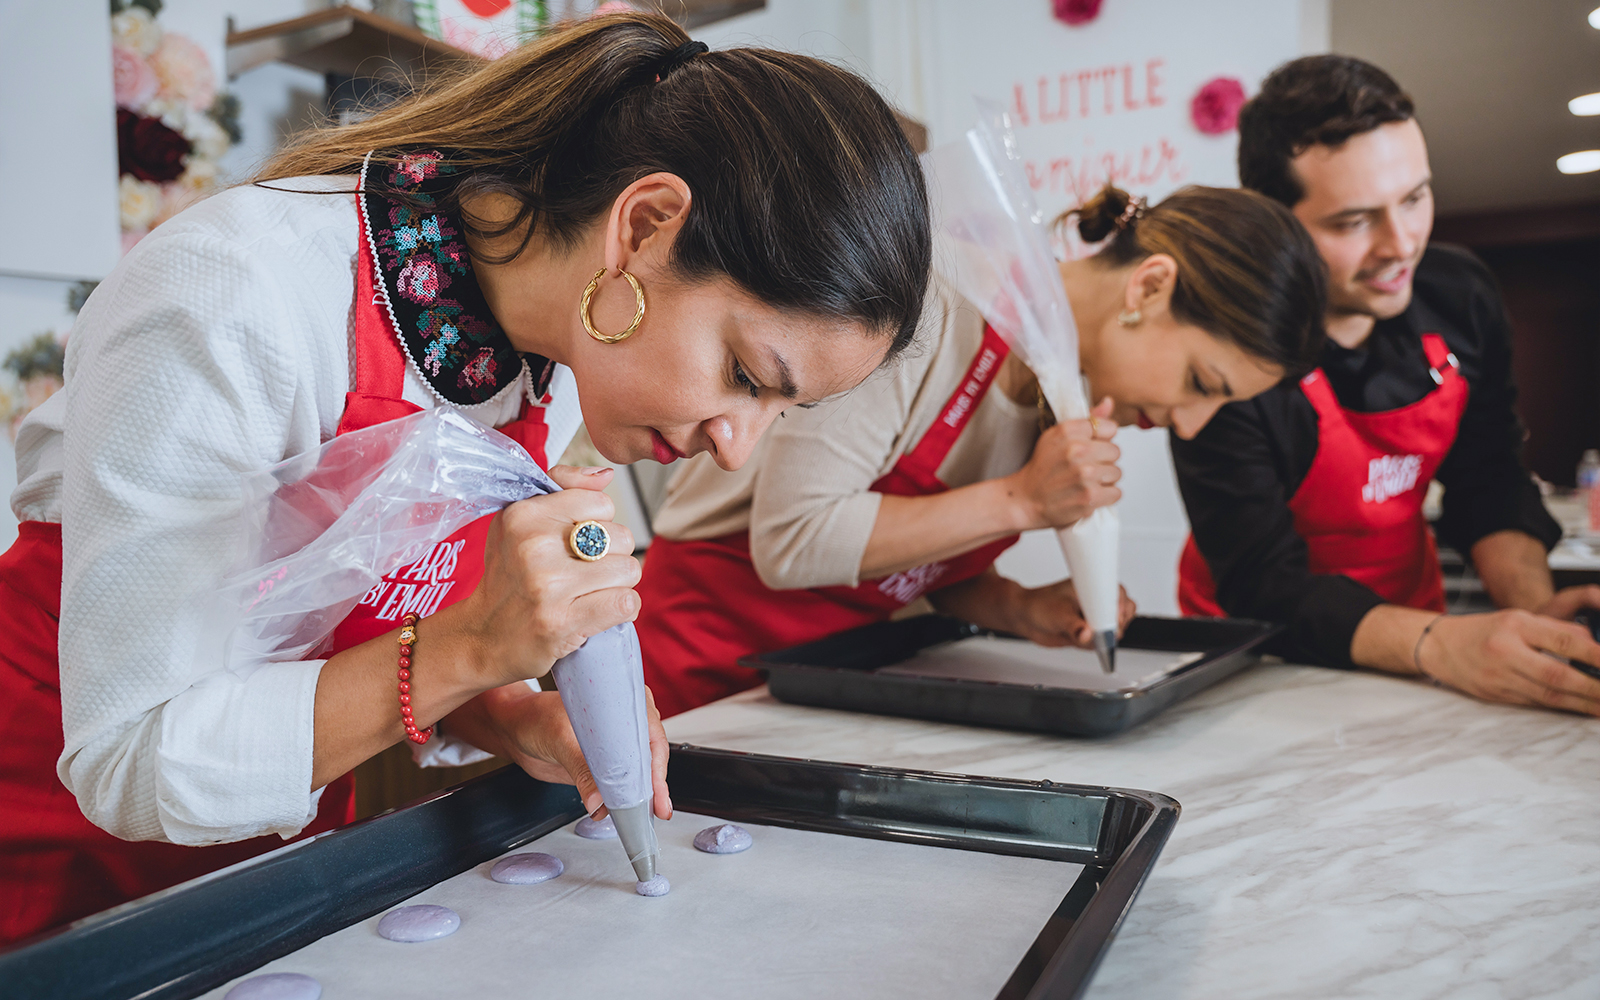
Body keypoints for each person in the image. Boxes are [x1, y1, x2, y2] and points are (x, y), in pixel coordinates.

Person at [0, 12, 933, 943]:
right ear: (644, 227)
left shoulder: (560, 356)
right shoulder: (238, 296)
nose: (738, 448)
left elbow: (350, 623)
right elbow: (128, 759)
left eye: (781, 410)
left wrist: (516, 716)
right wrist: (472, 650)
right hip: (58, 859)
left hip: (278, 865)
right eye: (745, 375)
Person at [635, 184, 1327, 718]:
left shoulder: (1062, 383)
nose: (1193, 424)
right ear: (1149, 285)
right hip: (706, 676)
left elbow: (908, 560)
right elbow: (792, 542)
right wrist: (1021, 499)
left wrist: (1015, 607)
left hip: (829, 683)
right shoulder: (929, 301)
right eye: (1201, 383)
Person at [1173, 55, 1600, 713]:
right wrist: (1439, 644)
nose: (1402, 244)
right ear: (1275, 220)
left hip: (1416, 631)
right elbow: (1261, 579)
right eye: (1353, 221)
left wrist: (1537, 618)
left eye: (1415, 197)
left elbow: (1488, 476)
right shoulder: (1222, 351)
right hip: (1254, 664)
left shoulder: (1460, 294)